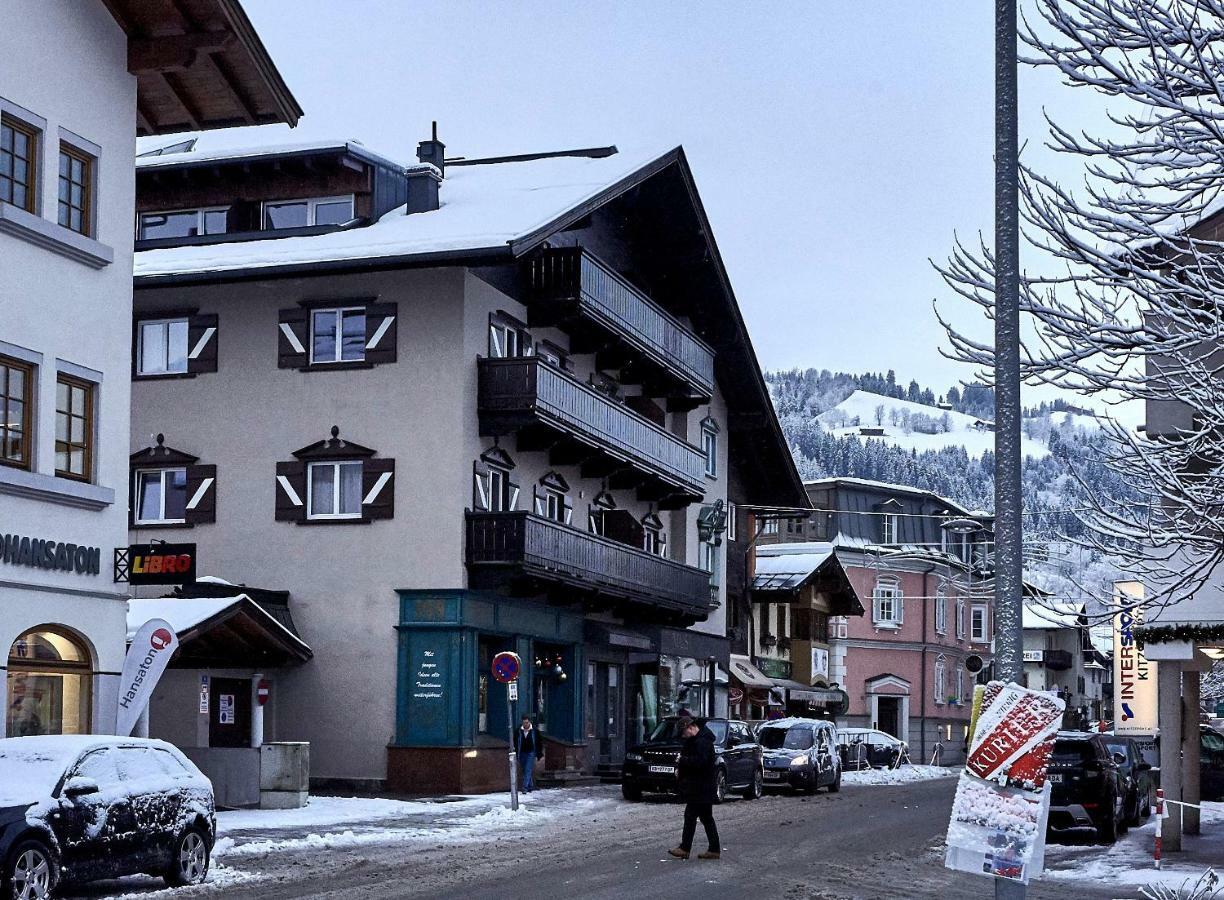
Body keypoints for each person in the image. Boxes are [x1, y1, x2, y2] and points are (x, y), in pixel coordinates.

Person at [668, 717, 721, 861]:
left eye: (683, 733)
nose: (683, 736)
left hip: (700, 787)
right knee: (706, 818)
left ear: (690, 728)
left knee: (690, 816)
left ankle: (685, 848)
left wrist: (682, 760)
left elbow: (700, 762)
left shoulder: (702, 742)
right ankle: (714, 849)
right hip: (702, 786)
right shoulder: (700, 740)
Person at [516, 715, 539, 793]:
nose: (525, 724)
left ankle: (524, 788)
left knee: (528, 769)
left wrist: (538, 753)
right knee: (524, 769)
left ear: (529, 722)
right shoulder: (519, 730)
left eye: (526, 722)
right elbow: (516, 741)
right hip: (522, 752)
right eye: (524, 723)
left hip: (531, 752)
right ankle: (530, 785)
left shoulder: (534, 730)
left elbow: (538, 742)